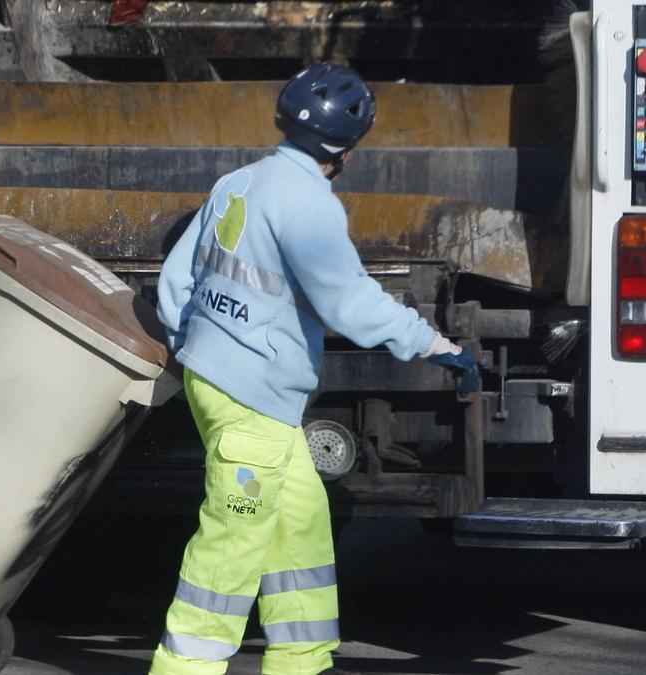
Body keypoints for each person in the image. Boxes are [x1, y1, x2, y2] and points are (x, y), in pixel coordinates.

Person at [151, 63, 480, 675]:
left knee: (298, 523)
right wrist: (435, 345)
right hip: (253, 393)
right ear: (348, 151)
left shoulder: (238, 184)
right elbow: (349, 305)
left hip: (219, 381)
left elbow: (177, 280)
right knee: (231, 543)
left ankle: (301, 662)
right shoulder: (309, 207)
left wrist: (192, 347)